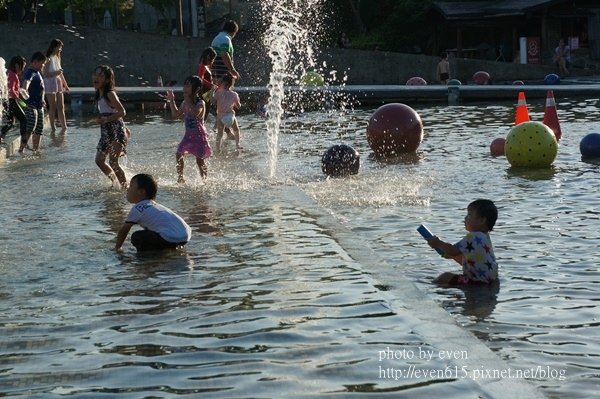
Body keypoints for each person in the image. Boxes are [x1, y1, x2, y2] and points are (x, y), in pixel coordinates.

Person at [425, 199, 498, 286]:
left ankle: (430, 285)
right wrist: (448, 254)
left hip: (475, 282)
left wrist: (438, 243)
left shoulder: (473, 236)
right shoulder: (485, 237)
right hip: (489, 281)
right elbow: (467, 259)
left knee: (445, 277)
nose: (465, 218)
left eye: (469, 215)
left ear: (482, 220)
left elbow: (453, 250)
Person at [115, 173, 192, 252]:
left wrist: (117, 249)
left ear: (141, 192)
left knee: (137, 237)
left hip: (170, 237)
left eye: (131, 186)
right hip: (185, 236)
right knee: (150, 232)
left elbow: (123, 232)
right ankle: (171, 248)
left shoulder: (138, 208)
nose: (128, 188)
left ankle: (149, 257)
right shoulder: (154, 206)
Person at [165, 75, 212, 183]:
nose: (185, 88)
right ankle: (180, 178)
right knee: (178, 154)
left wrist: (187, 100)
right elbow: (175, 114)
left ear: (197, 89)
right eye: (184, 85)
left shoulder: (201, 103)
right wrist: (171, 101)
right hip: (188, 136)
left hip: (200, 137)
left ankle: (205, 180)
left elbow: (196, 113)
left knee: (199, 161)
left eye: (188, 86)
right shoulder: (184, 103)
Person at [92, 64, 129, 188]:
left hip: (116, 130)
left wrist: (107, 119)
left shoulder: (110, 94)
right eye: (95, 74)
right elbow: (106, 112)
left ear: (107, 80)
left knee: (113, 162)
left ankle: (125, 188)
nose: (96, 77)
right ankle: (114, 181)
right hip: (106, 131)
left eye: (100, 75)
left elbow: (122, 111)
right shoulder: (99, 94)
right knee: (99, 161)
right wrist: (100, 119)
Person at [20, 51, 47, 154]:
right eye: (42, 63)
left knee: (39, 129)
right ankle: (21, 150)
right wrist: (25, 89)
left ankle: (36, 150)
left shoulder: (38, 72)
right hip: (31, 104)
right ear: (35, 62)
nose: (43, 65)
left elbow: (41, 88)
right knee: (30, 127)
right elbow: (27, 81)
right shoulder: (30, 72)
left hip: (39, 105)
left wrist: (43, 99)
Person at [43, 38, 69, 134]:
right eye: (59, 47)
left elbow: (60, 73)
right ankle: (53, 128)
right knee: (52, 107)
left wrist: (65, 84)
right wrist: (56, 73)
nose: (60, 49)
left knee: (61, 106)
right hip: (50, 82)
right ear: (54, 47)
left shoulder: (57, 57)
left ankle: (64, 127)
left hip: (58, 82)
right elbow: (45, 74)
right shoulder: (48, 58)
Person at [1, 56, 27, 145]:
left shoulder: (7, 73)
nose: (22, 70)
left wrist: (19, 91)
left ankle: (1, 136)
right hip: (11, 101)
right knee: (23, 119)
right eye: (22, 67)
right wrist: (18, 98)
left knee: (10, 122)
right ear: (17, 65)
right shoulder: (13, 75)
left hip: (5, 101)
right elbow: (11, 90)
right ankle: (24, 141)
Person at [213, 73, 242, 153]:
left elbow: (213, 102)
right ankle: (237, 144)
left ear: (223, 83)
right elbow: (238, 106)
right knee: (236, 129)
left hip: (220, 117)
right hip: (230, 116)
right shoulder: (234, 94)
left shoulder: (218, 93)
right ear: (230, 84)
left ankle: (217, 148)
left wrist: (212, 92)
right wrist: (237, 103)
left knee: (220, 133)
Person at [210, 20, 240, 84]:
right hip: (222, 75)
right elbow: (224, 54)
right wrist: (232, 70)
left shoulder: (217, 38)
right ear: (234, 32)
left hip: (214, 73)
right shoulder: (225, 39)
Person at [196, 47, 218, 120]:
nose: (213, 61)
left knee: (214, 111)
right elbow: (200, 78)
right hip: (204, 94)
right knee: (204, 115)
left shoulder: (204, 66)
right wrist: (212, 85)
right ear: (208, 57)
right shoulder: (203, 66)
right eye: (213, 59)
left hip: (207, 93)